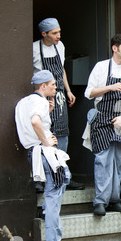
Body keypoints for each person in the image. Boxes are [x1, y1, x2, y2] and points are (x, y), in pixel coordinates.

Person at [84, 34, 121, 216]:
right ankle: (100, 202)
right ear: (114, 48)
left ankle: (115, 200)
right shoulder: (101, 67)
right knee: (102, 160)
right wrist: (110, 87)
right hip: (102, 119)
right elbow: (89, 92)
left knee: (118, 160)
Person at [15, 70, 71, 241]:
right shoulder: (39, 101)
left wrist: (48, 112)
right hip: (44, 151)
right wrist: (46, 141)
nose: (56, 86)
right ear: (43, 86)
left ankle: (47, 212)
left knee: (64, 178)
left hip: (34, 152)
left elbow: (33, 120)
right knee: (54, 195)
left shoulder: (24, 102)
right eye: (53, 84)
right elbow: (35, 121)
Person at [33, 18, 82, 191]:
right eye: (54, 33)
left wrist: (68, 90)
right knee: (43, 133)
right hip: (42, 96)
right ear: (44, 34)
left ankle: (62, 174)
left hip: (59, 95)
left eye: (59, 32)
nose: (58, 36)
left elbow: (61, 71)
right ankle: (41, 178)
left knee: (62, 134)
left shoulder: (59, 47)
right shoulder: (34, 49)